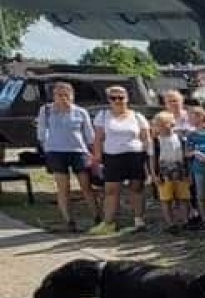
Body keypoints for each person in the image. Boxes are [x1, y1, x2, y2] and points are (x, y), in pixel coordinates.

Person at [90, 85, 152, 236]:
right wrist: (97, 156)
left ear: (127, 98)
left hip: (135, 155)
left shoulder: (137, 116)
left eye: (121, 97)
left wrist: (148, 157)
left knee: (136, 188)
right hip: (113, 156)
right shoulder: (103, 116)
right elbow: (98, 138)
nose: (117, 100)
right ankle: (109, 222)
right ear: (109, 100)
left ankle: (139, 221)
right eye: (113, 98)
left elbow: (146, 138)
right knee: (111, 190)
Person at [36, 81, 97, 232]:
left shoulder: (80, 112)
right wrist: (46, 148)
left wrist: (93, 153)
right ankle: (69, 221)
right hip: (56, 151)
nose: (63, 98)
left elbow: (89, 135)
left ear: (72, 96)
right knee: (63, 188)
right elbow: (41, 132)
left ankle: (97, 217)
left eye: (66, 95)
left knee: (86, 185)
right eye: (59, 95)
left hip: (78, 151)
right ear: (54, 96)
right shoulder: (46, 110)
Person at [149, 111, 192, 233]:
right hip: (163, 173)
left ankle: (185, 220)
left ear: (172, 124)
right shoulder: (155, 141)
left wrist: (189, 173)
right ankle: (170, 223)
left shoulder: (180, 138)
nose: (160, 127)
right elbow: (152, 159)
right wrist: (154, 175)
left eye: (163, 124)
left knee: (183, 197)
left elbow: (186, 157)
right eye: (158, 125)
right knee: (166, 199)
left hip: (180, 171)